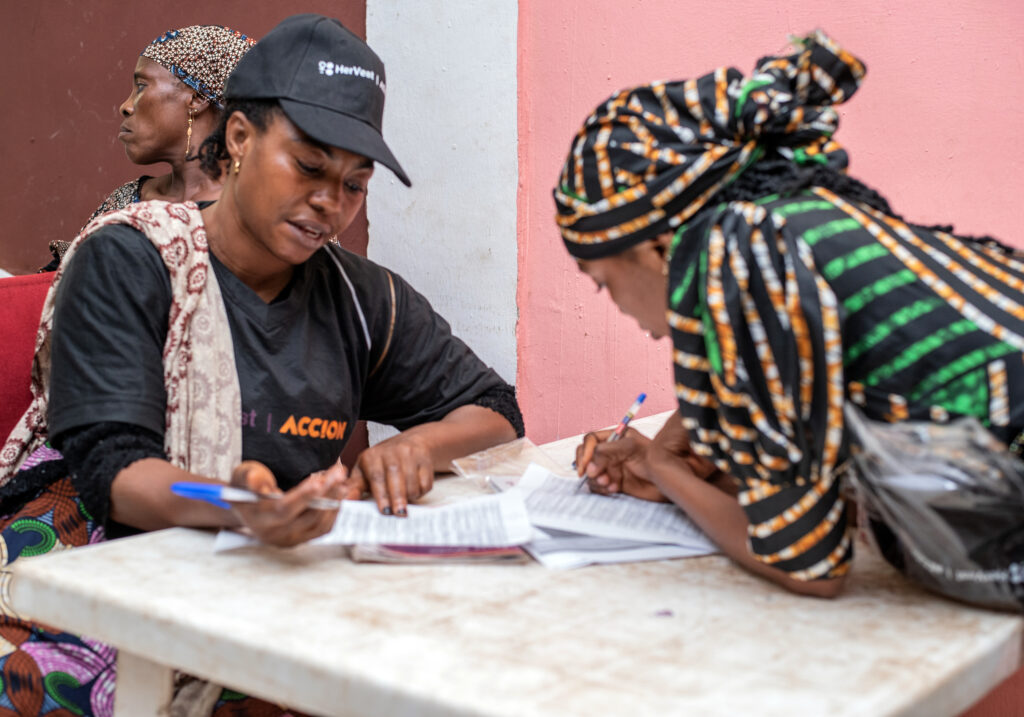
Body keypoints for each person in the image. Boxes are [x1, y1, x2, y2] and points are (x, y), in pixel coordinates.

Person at [0, 13, 522, 715]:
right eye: (309, 167)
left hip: (264, 561)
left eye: (354, 184)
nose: (330, 204)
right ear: (240, 138)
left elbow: (494, 405)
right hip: (90, 555)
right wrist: (237, 505)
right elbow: (114, 470)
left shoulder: (359, 296)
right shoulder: (132, 260)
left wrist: (417, 447)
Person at [555, 30, 1024, 599]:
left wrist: (667, 469)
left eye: (604, 284)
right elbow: (823, 467)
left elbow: (808, 564)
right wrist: (698, 457)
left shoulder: (745, 259)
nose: (621, 310)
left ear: (655, 249)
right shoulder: (790, 223)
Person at [43, 24, 256, 270]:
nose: (126, 106)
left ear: (196, 99)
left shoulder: (251, 210)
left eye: (141, 86)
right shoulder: (126, 201)